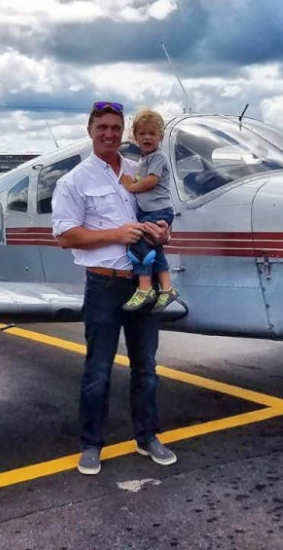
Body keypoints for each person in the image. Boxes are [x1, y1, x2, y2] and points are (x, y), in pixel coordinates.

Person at [52, 101, 177, 476]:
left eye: (114, 127)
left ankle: (148, 436)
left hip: (144, 282)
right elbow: (65, 236)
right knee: (98, 370)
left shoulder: (142, 171)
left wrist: (163, 232)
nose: (108, 133)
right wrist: (116, 234)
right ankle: (91, 445)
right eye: (101, 126)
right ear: (90, 130)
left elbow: (160, 213)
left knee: (147, 368)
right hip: (104, 285)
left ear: (123, 132)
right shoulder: (74, 180)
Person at [119, 109, 179, 313]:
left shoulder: (157, 158)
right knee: (154, 249)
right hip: (151, 211)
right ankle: (167, 288)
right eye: (142, 133)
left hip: (157, 211)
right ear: (135, 137)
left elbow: (151, 182)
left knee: (137, 245)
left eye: (152, 133)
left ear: (161, 136)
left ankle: (145, 288)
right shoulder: (145, 160)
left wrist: (130, 186)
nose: (147, 137)